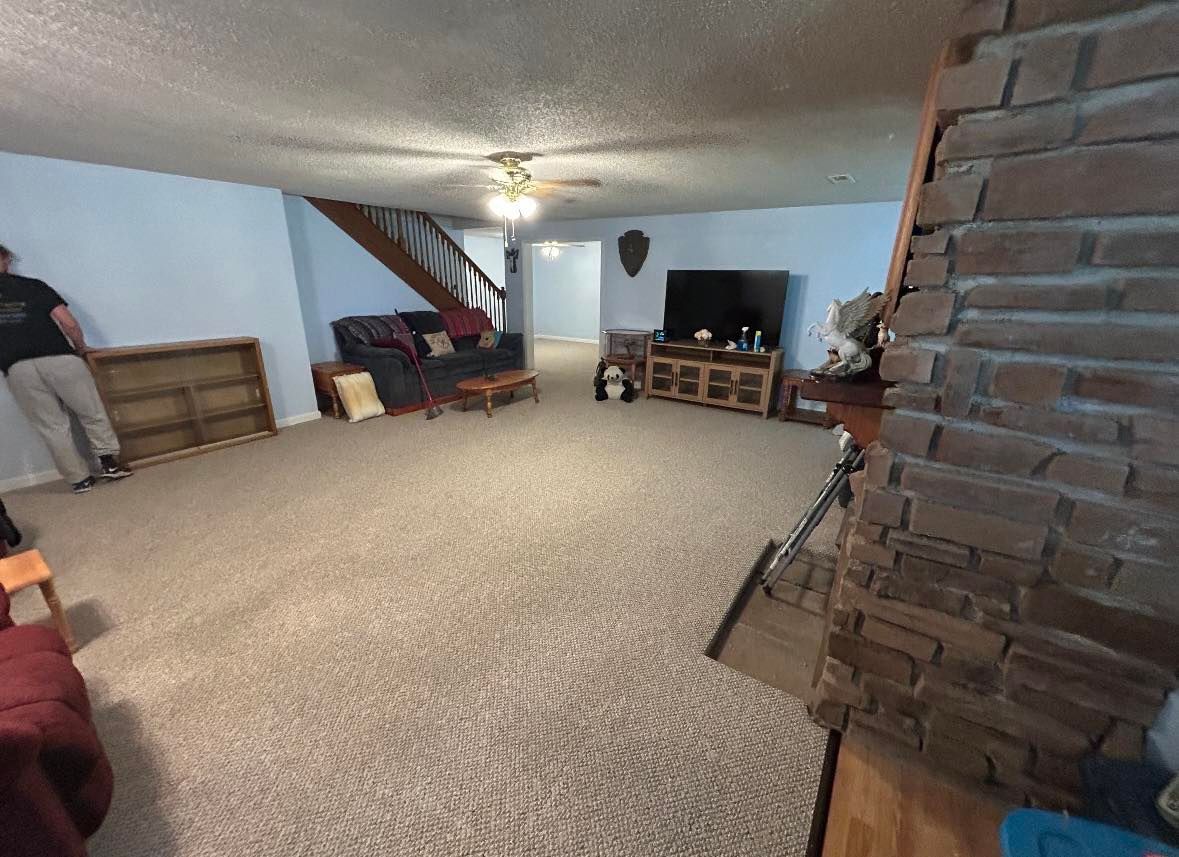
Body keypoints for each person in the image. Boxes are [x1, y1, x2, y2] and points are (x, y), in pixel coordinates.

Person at [0, 244, 131, 493]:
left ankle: (79, 479)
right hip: (60, 358)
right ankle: (108, 463)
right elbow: (69, 324)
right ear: (5, 259)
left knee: (51, 426)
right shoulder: (33, 286)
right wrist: (81, 349)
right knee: (91, 412)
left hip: (17, 368)